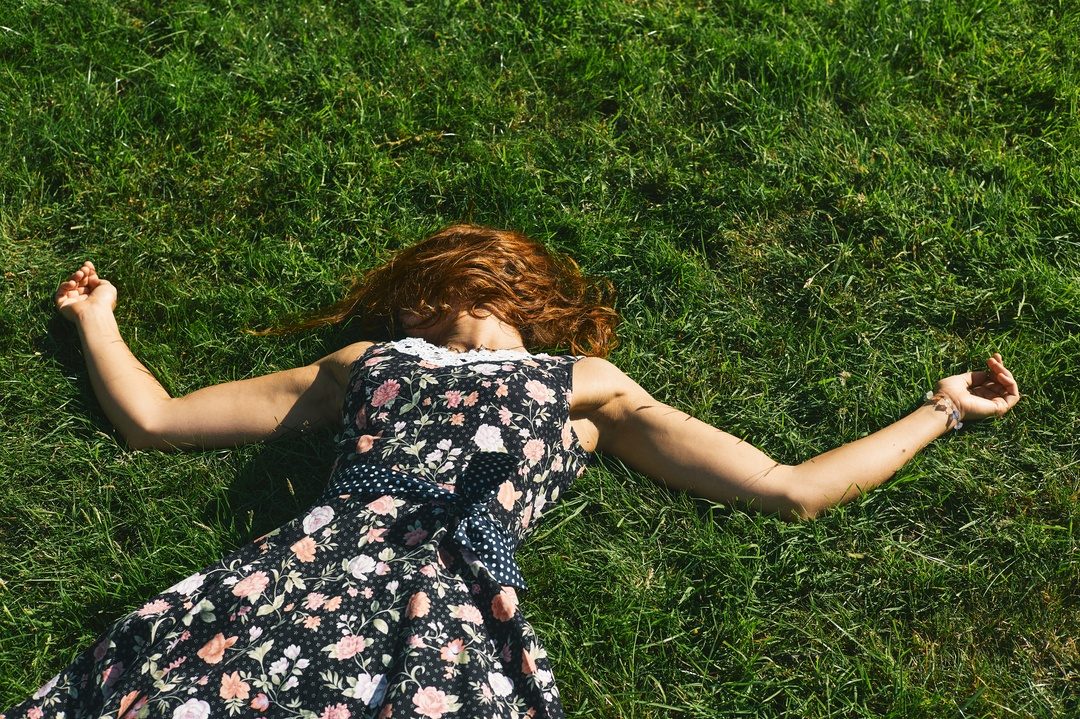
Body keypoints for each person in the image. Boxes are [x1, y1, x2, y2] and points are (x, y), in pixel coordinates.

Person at [5, 224, 1019, 719]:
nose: (435, 304)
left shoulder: (588, 385)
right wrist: (99, 320)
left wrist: (941, 407)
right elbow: (156, 419)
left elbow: (787, 485)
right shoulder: (368, 364)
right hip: (304, 576)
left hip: (449, 607)